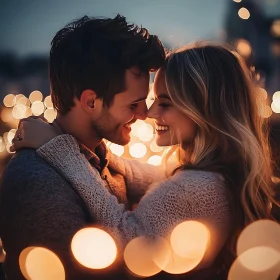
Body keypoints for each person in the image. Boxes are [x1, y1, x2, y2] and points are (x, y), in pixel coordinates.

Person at [12, 43, 279, 278]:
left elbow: (126, 238)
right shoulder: (215, 173)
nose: (150, 112)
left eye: (165, 103)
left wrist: (59, 149)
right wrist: (94, 155)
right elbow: (150, 177)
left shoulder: (197, 187)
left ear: (203, 111)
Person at [0, 14, 165, 280]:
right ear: (91, 102)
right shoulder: (38, 179)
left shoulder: (101, 160)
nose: (145, 114)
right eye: (133, 104)